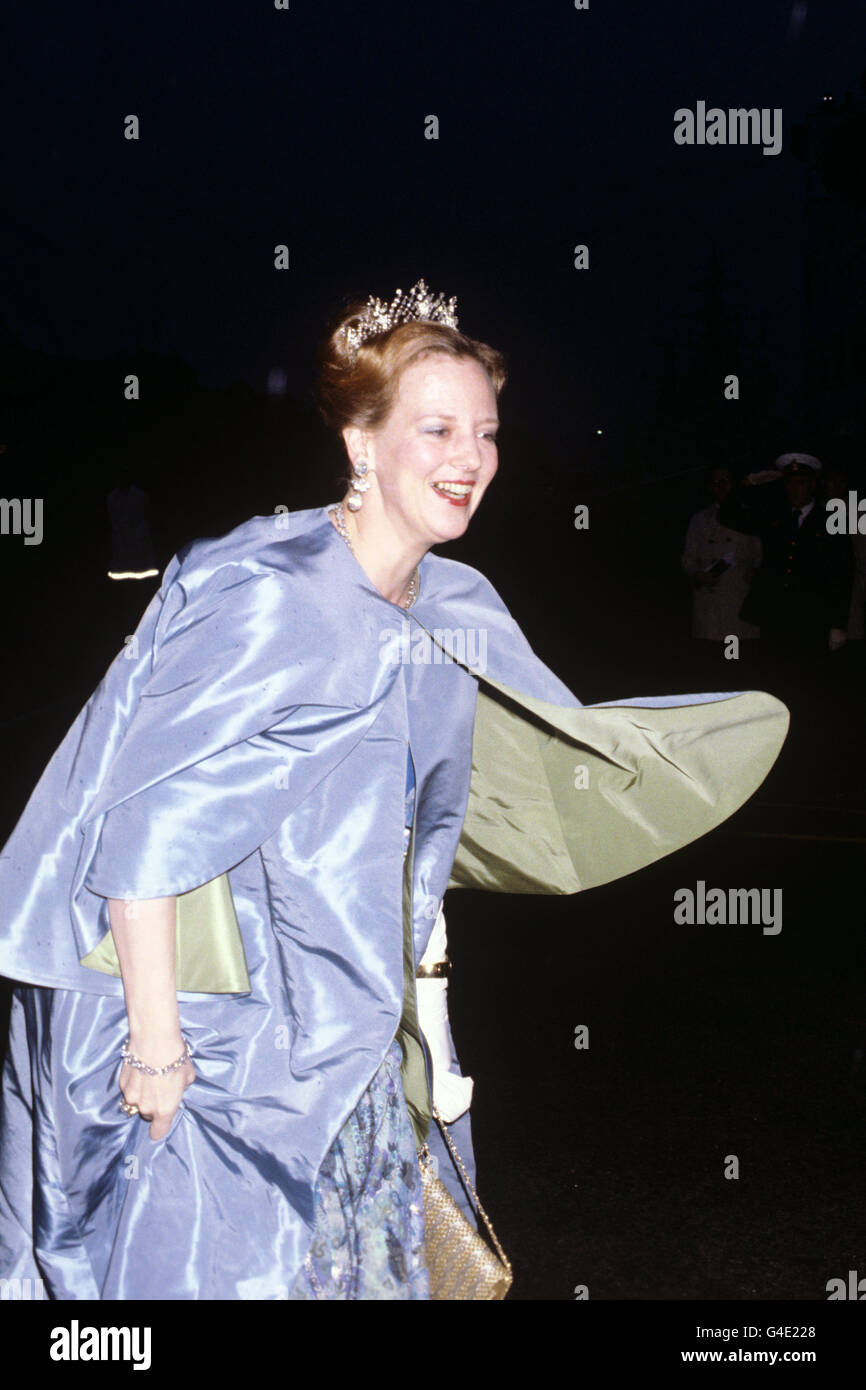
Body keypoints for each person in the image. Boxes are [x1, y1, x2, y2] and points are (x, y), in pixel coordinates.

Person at [0, 279, 789, 1301]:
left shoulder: (449, 599)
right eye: (436, 428)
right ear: (360, 444)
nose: (470, 459)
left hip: (365, 1042)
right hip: (234, 1049)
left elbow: (425, 824)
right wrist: (158, 1058)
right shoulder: (272, 597)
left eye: (486, 432)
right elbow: (143, 842)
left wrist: (428, 999)